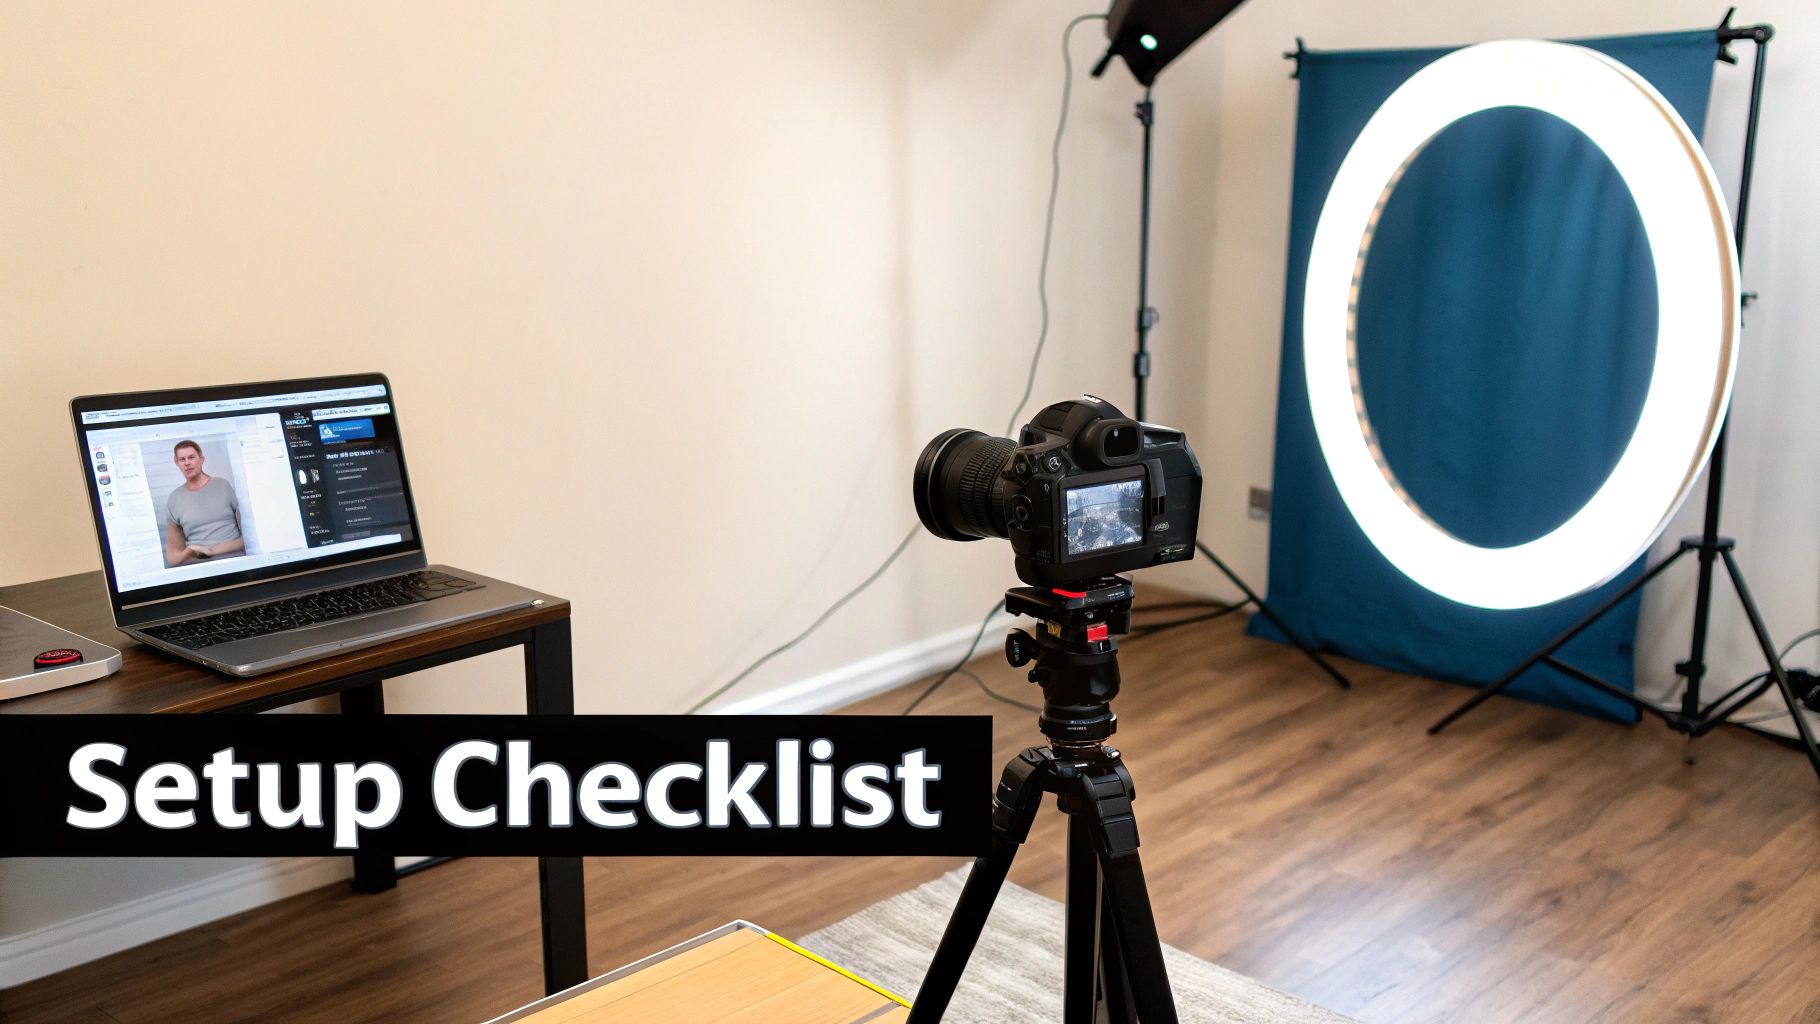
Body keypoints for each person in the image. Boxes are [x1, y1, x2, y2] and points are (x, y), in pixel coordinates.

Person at [163, 439, 245, 566]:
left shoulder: (223, 485)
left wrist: (212, 551)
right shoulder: (174, 498)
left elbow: (250, 537)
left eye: (191, 457)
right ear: (177, 463)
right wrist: (189, 552)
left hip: (236, 562)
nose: (187, 463)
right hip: (201, 569)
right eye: (182, 459)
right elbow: (172, 558)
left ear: (201, 459)